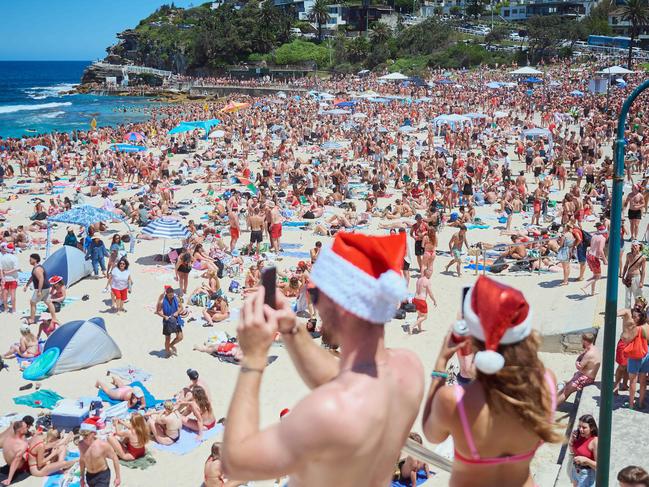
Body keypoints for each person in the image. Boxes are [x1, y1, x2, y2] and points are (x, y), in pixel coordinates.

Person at [222, 232, 424, 487]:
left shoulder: (328, 411)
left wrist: (253, 357)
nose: (313, 304)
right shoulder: (409, 368)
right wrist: (291, 328)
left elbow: (236, 461)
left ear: (340, 305)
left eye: (315, 295)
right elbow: (343, 376)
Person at [422, 276, 561, 487]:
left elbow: (432, 435)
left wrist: (441, 363)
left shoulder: (455, 400)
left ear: (473, 334)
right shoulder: (546, 382)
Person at [557, 333, 602, 405]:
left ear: (585, 341)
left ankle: (550, 409)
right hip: (583, 375)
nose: (581, 342)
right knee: (566, 386)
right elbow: (581, 358)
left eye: (582, 340)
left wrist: (576, 362)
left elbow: (579, 366)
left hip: (585, 378)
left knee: (566, 391)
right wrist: (579, 359)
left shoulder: (589, 354)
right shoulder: (593, 348)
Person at [78, 423, 121, 487]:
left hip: (102, 475)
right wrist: (82, 477)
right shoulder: (81, 445)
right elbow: (82, 460)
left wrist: (118, 477)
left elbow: (115, 458)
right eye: (82, 435)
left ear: (93, 433)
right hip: (89, 475)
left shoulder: (103, 445)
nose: (84, 437)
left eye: (86, 435)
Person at [23, 253, 56, 325]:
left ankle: (32, 319)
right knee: (48, 302)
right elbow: (32, 277)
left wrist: (39, 291)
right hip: (46, 287)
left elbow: (41, 279)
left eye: (30, 259)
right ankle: (54, 318)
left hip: (42, 288)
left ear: (35, 260)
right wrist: (27, 285)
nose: (29, 260)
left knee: (32, 302)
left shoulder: (37, 269)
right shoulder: (37, 267)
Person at [568, 414, 598, 487]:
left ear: (591, 428)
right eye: (579, 426)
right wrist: (571, 440)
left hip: (587, 474)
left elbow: (599, 466)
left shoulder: (595, 441)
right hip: (576, 470)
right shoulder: (578, 435)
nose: (580, 429)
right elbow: (572, 452)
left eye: (584, 427)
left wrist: (586, 460)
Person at [155, 285, 184, 357]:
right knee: (167, 338)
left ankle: (171, 345)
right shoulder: (161, 301)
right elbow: (158, 311)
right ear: (166, 294)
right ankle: (167, 352)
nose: (171, 296)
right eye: (169, 295)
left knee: (180, 337)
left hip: (176, 319)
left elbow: (181, 307)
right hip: (167, 321)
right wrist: (164, 316)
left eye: (172, 295)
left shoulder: (176, 298)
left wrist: (177, 312)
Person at [1, 421, 30, 486]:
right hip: (19, 468)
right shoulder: (22, 444)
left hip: (8, 463)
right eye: (25, 427)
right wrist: (9, 479)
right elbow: (15, 462)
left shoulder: (7, 438)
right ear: (20, 430)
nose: (27, 428)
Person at [582, 225, 607, 296]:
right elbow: (600, 250)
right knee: (598, 276)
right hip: (594, 258)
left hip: (589, 256)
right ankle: (585, 286)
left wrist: (600, 257)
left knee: (595, 275)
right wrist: (605, 260)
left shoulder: (594, 235)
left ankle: (592, 292)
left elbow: (593, 247)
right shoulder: (602, 238)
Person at [411, 268, 437, 335]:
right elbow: (430, 293)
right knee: (424, 317)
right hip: (421, 300)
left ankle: (419, 329)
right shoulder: (427, 281)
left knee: (419, 315)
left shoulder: (419, 279)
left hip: (415, 299)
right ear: (428, 274)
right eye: (430, 274)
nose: (431, 275)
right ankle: (412, 326)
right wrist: (434, 300)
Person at [622, 241, 646, 308]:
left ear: (639, 246)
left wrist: (641, 282)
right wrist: (623, 277)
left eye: (636, 245)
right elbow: (625, 266)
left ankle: (638, 311)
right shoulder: (628, 255)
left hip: (636, 277)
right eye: (633, 245)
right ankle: (628, 312)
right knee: (627, 296)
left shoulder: (642, 257)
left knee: (637, 296)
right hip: (628, 277)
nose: (634, 247)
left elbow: (643, 270)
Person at [0, 242, 19, 313]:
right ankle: (13, 310)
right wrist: (8, 272)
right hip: (13, 278)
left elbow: (1, 269)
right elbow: (16, 268)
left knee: (5, 294)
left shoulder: (2, 258)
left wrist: (2, 278)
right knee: (13, 294)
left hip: (5, 278)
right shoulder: (14, 257)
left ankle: (6, 309)